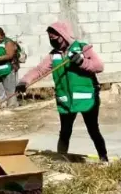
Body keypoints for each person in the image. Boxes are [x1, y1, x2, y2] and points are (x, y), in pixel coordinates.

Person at [16, 21, 108, 162]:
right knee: (65, 131)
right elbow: (39, 70)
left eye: (55, 39)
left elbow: (99, 66)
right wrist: (24, 82)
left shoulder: (82, 48)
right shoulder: (54, 56)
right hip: (65, 100)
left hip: (87, 99)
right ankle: (61, 159)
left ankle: (104, 159)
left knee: (93, 130)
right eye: (50, 39)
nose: (53, 42)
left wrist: (82, 62)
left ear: (63, 35)